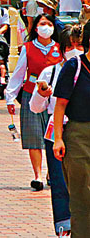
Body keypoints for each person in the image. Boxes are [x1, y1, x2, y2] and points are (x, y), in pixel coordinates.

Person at [31, 24, 83, 237]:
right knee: (60, 183)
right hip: (56, 133)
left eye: (79, 45)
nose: (75, 50)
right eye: (71, 46)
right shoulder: (51, 72)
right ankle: (64, 227)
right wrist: (42, 94)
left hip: (82, 131)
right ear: (61, 49)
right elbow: (35, 108)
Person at [5, 12, 64, 191]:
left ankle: (51, 173)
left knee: (53, 135)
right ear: (36, 28)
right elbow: (19, 73)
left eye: (48, 24)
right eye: (41, 24)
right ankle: (37, 175)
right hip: (31, 94)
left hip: (54, 98)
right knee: (34, 136)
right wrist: (10, 96)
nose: (45, 27)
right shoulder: (28, 47)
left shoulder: (60, 48)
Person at [52, 27, 90, 237]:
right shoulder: (74, 66)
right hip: (79, 136)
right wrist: (58, 139)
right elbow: (60, 105)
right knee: (82, 195)